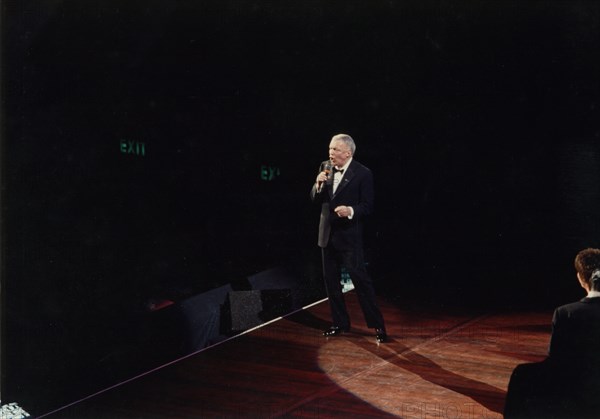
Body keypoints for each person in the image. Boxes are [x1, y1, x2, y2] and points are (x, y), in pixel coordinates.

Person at [504, 248, 600, 418]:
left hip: (580, 391)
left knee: (522, 374)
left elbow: (556, 357)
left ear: (580, 278)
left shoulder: (566, 313)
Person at [310, 133, 387, 343]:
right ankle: (339, 323)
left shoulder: (362, 173)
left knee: (361, 281)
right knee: (331, 283)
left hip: (349, 238)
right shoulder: (324, 166)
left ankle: (378, 326)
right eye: (329, 149)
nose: (330, 153)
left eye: (335, 150)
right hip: (326, 235)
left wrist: (351, 210)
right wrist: (317, 185)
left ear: (348, 152)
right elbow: (315, 198)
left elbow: (368, 206)